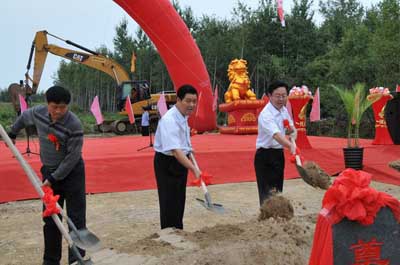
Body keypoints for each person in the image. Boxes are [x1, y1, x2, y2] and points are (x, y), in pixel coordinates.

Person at [7, 86, 87, 265]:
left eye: (62, 107)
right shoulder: (37, 113)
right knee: (51, 219)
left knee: (76, 219)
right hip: (49, 173)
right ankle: (51, 261)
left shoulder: (74, 124)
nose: (58, 111)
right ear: (47, 104)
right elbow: (23, 118)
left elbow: (72, 158)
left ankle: (77, 259)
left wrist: (53, 179)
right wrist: (13, 132)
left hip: (72, 174)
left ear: (68, 106)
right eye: (54, 107)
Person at [153, 84, 201, 229]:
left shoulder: (183, 116)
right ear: (178, 100)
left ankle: (177, 229)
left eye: (194, 101)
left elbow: (183, 144)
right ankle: (168, 232)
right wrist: (194, 169)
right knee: (169, 199)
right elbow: (175, 150)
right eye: (188, 101)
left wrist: (190, 151)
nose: (191, 105)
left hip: (180, 161)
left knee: (179, 198)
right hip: (168, 163)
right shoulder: (170, 119)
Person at [254, 80, 297, 206]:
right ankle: (266, 219)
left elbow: (291, 129)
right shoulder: (266, 114)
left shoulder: (284, 111)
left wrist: (293, 133)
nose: (281, 99)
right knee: (266, 193)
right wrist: (290, 146)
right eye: (278, 96)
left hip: (278, 154)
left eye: (284, 96)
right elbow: (276, 135)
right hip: (265, 156)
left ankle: (278, 218)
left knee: (277, 189)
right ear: (269, 96)